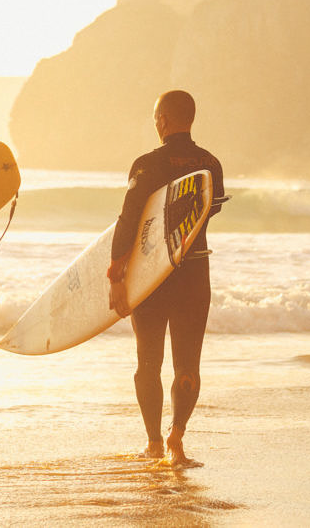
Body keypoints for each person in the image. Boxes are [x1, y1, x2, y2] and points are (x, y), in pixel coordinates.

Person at [107, 90, 224, 465]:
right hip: (194, 272)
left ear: (162, 120)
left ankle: (153, 443)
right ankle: (177, 440)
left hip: (154, 276)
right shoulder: (211, 163)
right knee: (188, 365)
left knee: (148, 362)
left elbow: (129, 218)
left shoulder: (146, 165)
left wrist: (116, 271)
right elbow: (211, 207)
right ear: (191, 118)